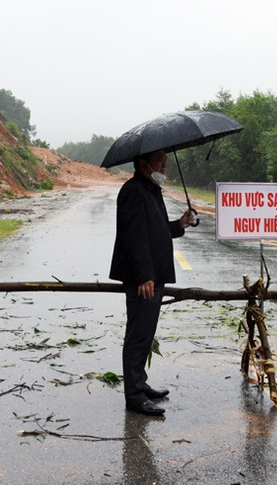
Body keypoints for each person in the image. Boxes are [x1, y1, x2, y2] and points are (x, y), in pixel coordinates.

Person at [109, 149, 195, 416]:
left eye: (166, 160)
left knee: (146, 333)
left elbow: (156, 231)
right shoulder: (133, 191)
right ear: (143, 164)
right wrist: (144, 274)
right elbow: (135, 237)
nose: (164, 164)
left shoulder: (151, 189)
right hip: (143, 278)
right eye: (159, 160)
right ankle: (134, 396)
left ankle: (140, 384)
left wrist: (179, 224)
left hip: (153, 274)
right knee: (138, 335)